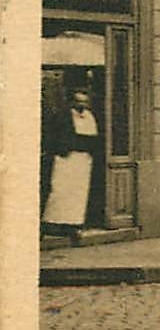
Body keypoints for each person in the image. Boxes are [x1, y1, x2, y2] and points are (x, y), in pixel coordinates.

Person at [42, 89, 99, 241]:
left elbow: (94, 140)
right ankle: (52, 224)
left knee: (78, 193)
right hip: (66, 158)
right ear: (72, 102)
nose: (82, 105)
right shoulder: (62, 116)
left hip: (83, 160)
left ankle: (73, 225)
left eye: (84, 102)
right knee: (60, 190)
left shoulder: (90, 118)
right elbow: (51, 136)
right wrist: (59, 151)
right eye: (78, 101)